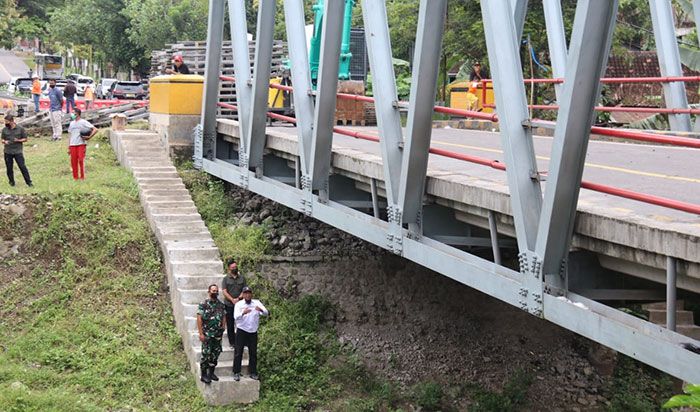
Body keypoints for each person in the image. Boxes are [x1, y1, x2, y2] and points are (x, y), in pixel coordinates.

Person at [233, 286, 268, 381]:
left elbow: (266, 313)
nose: (248, 295)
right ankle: (236, 372)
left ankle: (253, 372)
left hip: (253, 331)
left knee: (253, 353)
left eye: (249, 293)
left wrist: (260, 310)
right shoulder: (239, 304)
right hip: (241, 330)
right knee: (238, 352)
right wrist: (243, 313)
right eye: (246, 293)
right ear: (243, 295)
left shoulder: (257, 302)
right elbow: (236, 317)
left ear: (251, 294)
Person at [197, 284, 226, 384]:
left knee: (215, 354)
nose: (215, 292)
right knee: (206, 354)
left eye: (216, 290)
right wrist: (201, 333)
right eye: (213, 290)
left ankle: (211, 373)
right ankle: (204, 374)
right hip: (207, 334)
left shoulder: (220, 305)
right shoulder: (204, 304)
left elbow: (223, 316)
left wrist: (223, 326)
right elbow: (199, 318)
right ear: (209, 292)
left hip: (217, 335)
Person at [2, 113, 33, 188]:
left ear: (12, 121)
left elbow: (25, 139)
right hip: (8, 151)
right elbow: (2, 139)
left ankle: (29, 182)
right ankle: (11, 182)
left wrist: (18, 140)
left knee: (22, 167)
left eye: (7, 122)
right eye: (5, 122)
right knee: (9, 168)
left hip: (17, 151)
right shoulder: (4, 129)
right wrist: (4, 141)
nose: (6, 124)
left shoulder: (20, 129)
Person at [221, 260, 247, 349]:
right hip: (229, 304)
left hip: (240, 304)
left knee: (242, 323)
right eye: (232, 267)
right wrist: (232, 300)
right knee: (230, 324)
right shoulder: (226, 279)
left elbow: (244, 290)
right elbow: (224, 291)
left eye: (235, 267)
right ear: (229, 268)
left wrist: (239, 298)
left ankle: (242, 341)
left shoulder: (242, 278)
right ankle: (232, 342)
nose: (234, 268)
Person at [67, 108, 97, 180]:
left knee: (81, 160)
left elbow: (95, 129)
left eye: (73, 112)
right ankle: (75, 178)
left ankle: (82, 177)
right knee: (73, 162)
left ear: (77, 113)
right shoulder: (71, 123)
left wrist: (89, 137)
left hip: (81, 144)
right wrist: (68, 146)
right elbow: (70, 135)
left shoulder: (83, 122)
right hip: (72, 144)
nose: (72, 114)